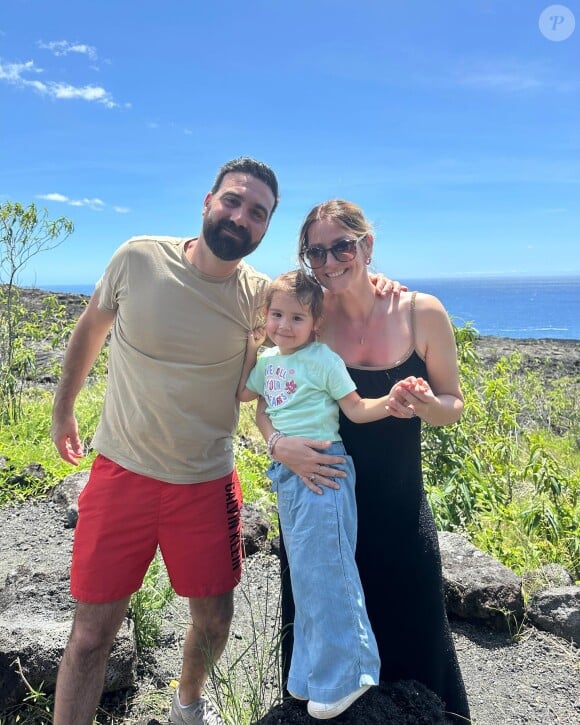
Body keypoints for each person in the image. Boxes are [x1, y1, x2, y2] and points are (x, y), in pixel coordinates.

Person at [50, 157, 281, 725]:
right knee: (89, 636)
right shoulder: (137, 257)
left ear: (265, 228)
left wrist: (372, 279)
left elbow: (320, 318)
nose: (240, 217)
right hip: (121, 473)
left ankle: (187, 705)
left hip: (205, 481)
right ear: (207, 201)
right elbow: (89, 330)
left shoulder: (260, 297)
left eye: (257, 213)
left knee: (215, 619)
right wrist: (63, 408)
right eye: (232, 201)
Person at [257, 200, 472, 723]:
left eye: (342, 246)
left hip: (398, 513)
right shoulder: (310, 319)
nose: (329, 261)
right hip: (321, 505)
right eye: (316, 252)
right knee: (321, 641)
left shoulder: (421, 312)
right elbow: (269, 395)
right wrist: (275, 444)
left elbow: (453, 405)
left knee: (415, 647)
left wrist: (425, 406)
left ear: (366, 246)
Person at [236, 269, 401, 719]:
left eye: (296, 318)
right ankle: (311, 677)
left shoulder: (324, 359)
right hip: (287, 474)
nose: (284, 325)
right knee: (306, 578)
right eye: (276, 315)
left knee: (330, 572)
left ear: (315, 324)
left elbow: (357, 409)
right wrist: (253, 341)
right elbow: (247, 398)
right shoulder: (268, 361)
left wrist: (392, 400)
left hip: (326, 471)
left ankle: (351, 674)